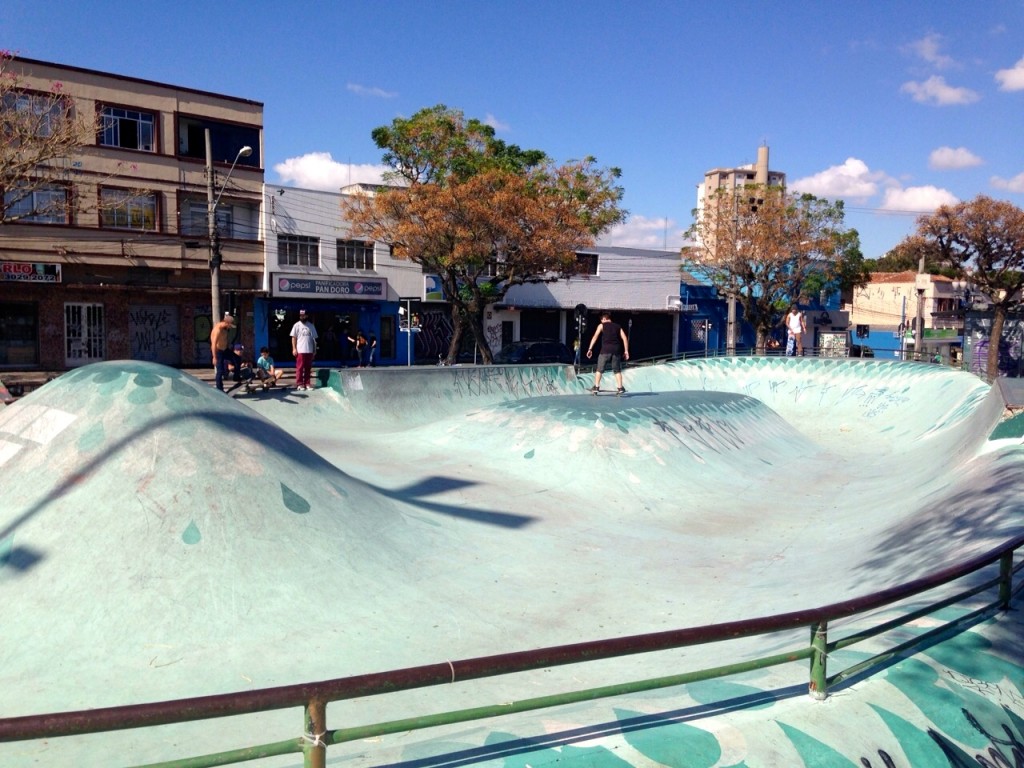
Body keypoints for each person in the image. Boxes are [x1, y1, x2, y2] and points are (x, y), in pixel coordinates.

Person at [585, 312, 630, 394]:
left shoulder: (601, 325)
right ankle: (620, 388)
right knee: (617, 370)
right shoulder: (618, 326)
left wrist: (590, 349)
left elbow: (595, 337)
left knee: (599, 369)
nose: (601, 321)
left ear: (604, 318)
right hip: (616, 351)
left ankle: (596, 387)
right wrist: (626, 351)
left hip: (605, 351)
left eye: (601, 319)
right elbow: (624, 338)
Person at [210, 312, 241, 392]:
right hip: (218, 351)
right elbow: (213, 344)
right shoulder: (217, 330)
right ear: (226, 323)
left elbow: (225, 340)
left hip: (225, 350)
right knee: (220, 371)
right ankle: (220, 389)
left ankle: (236, 377)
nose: (230, 328)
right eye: (229, 326)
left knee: (237, 358)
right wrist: (214, 357)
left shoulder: (225, 329)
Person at [290, 309, 318, 390]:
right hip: (300, 351)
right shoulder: (296, 325)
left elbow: (314, 339)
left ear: (307, 316)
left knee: (308, 368)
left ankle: (307, 383)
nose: (302, 317)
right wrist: (294, 349)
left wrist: (314, 350)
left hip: (309, 350)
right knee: (300, 368)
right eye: (301, 315)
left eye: (304, 315)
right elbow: (293, 338)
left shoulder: (311, 325)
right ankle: (299, 384)